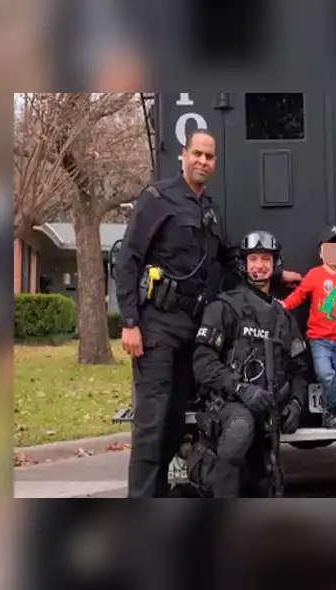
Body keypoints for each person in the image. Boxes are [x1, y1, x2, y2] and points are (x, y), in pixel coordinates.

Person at [115, 129, 302, 498]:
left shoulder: (208, 210)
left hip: (190, 328)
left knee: (173, 422)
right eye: (197, 154)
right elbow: (128, 258)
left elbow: (229, 257)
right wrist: (130, 321)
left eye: (210, 157)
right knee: (151, 423)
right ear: (183, 155)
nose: (203, 161)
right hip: (156, 326)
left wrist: (275, 274)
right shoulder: (157, 198)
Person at [187, 230, 309, 498]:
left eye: (266, 259)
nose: (260, 265)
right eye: (253, 259)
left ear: (275, 264)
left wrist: (296, 405)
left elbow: (300, 369)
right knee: (240, 427)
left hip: (268, 413)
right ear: (244, 265)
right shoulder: (225, 307)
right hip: (231, 407)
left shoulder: (283, 318)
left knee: (264, 484)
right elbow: (202, 362)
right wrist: (241, 389)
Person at [280, 226, 336, 428]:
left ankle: (330, 417)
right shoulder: (314, 275)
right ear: (321, 253)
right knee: (325, 374)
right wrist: (283, 305)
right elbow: (299, 295)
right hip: (318, 339)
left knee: (333, 379)